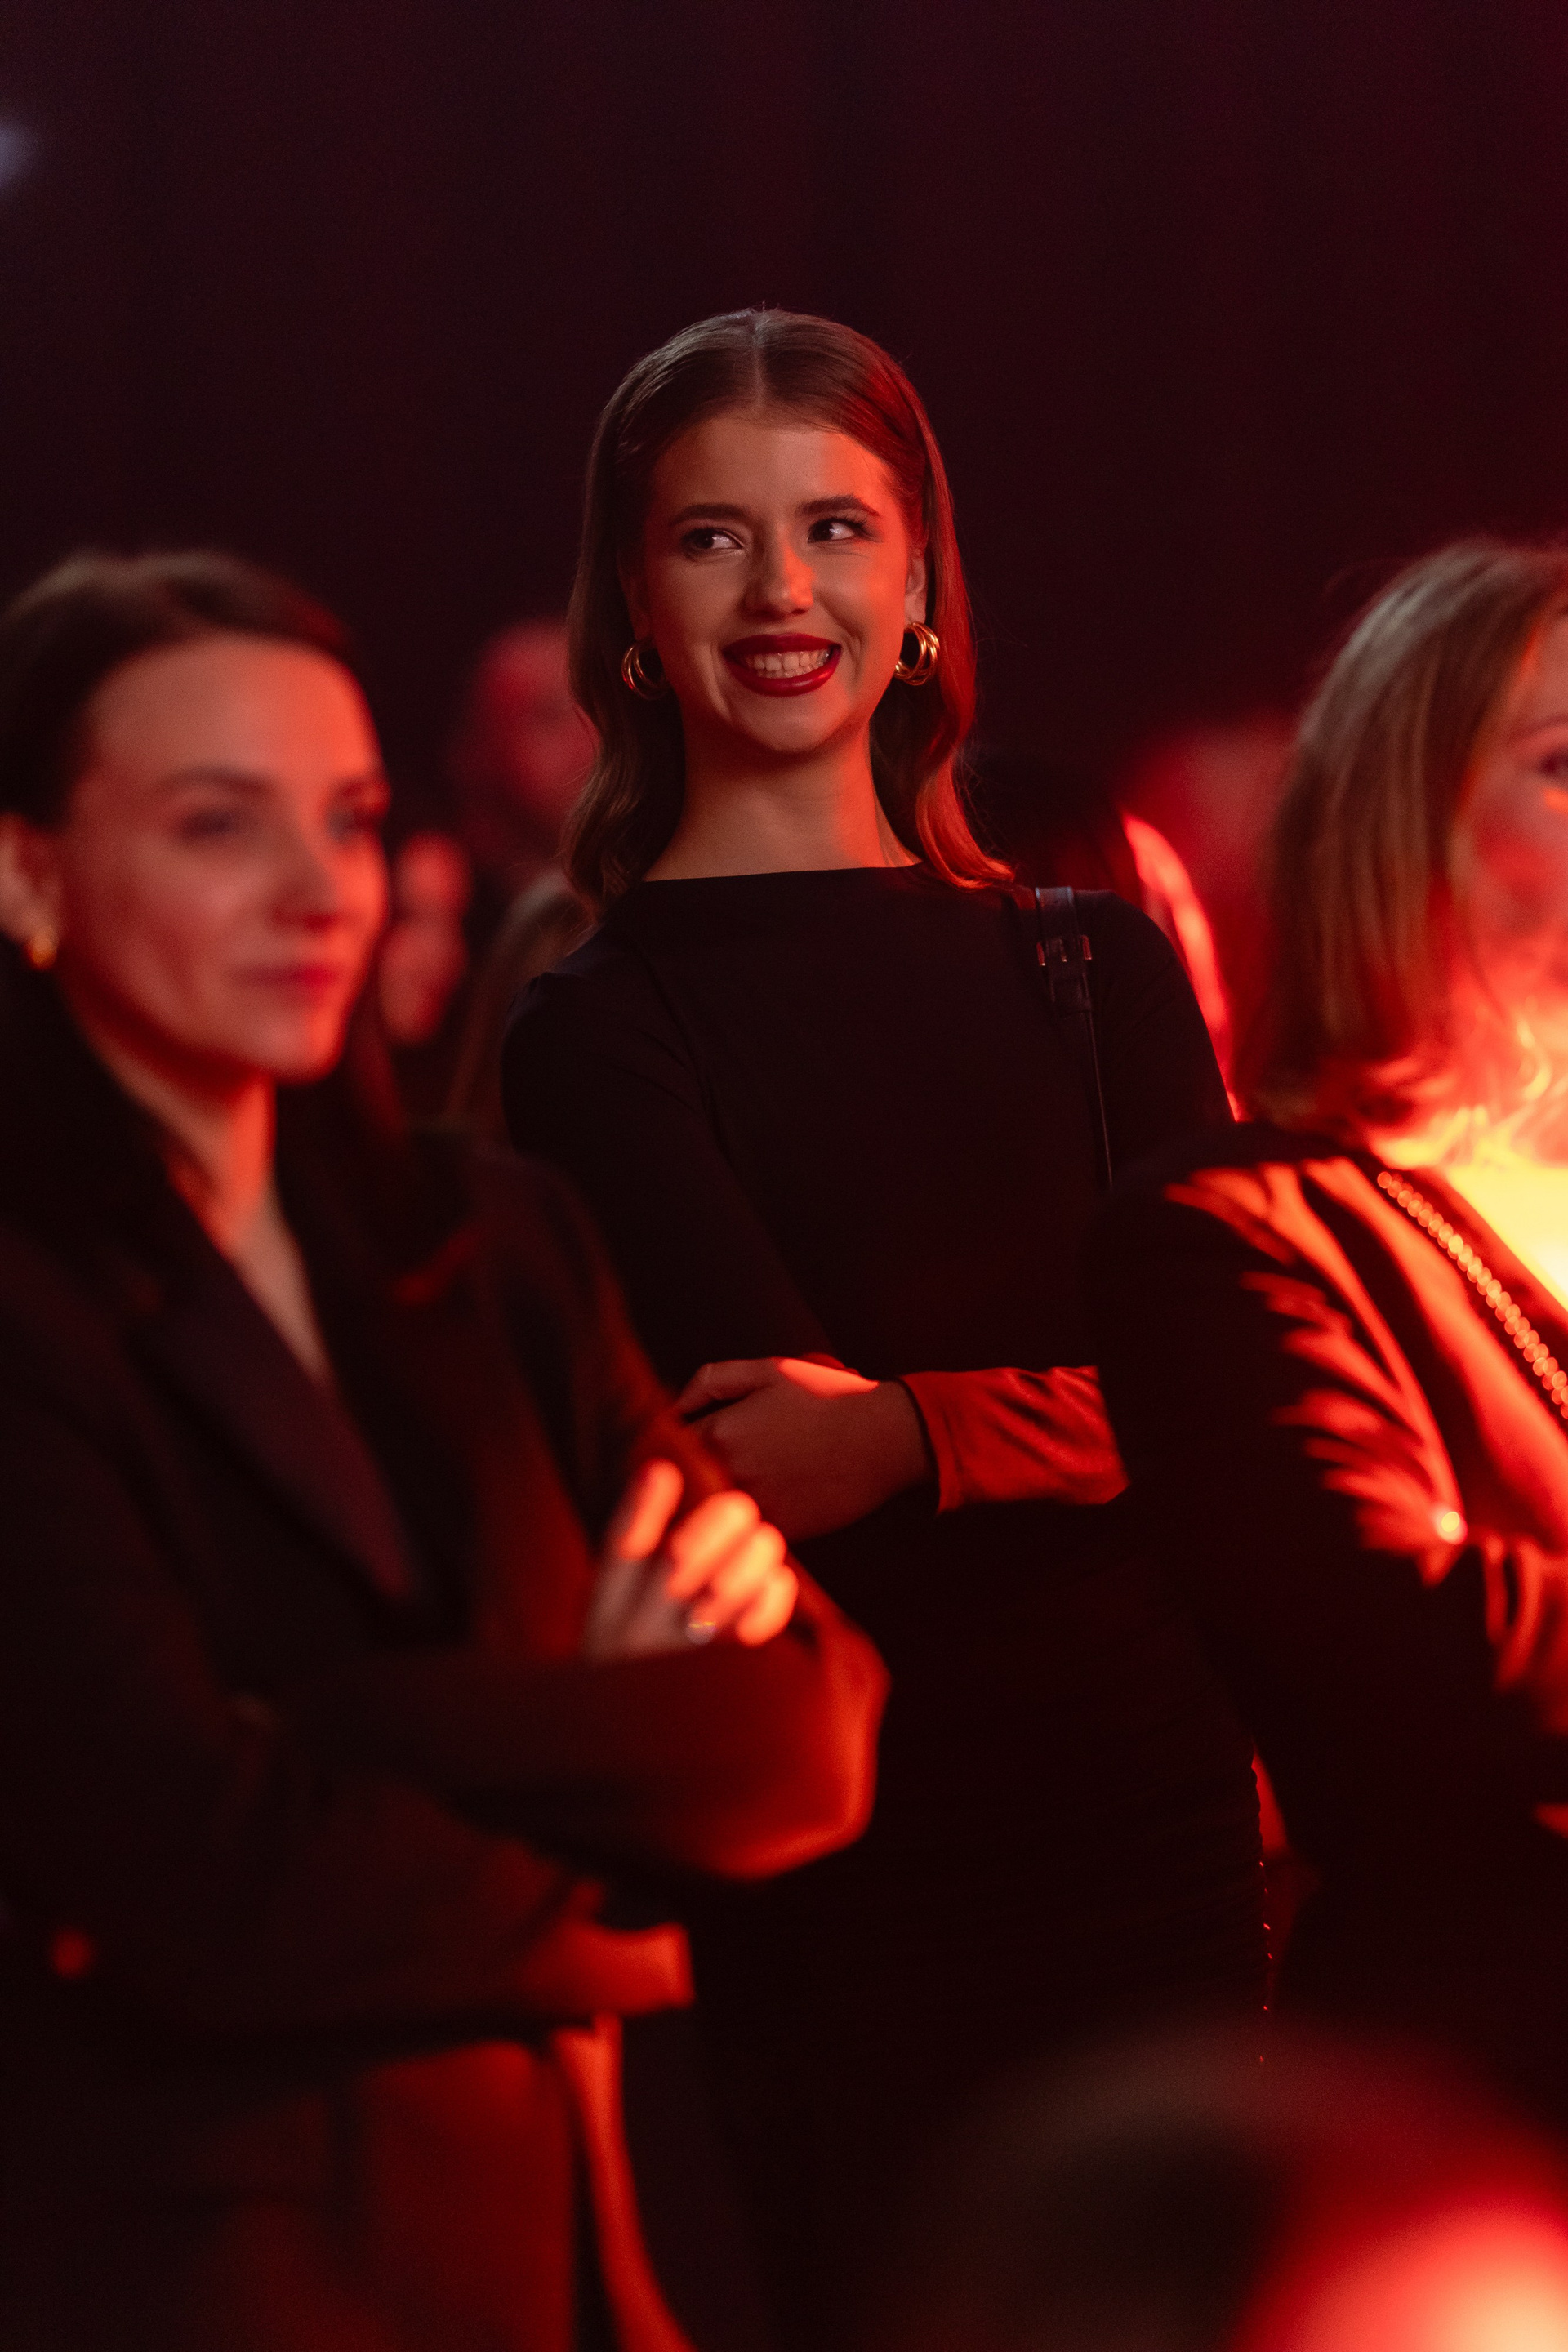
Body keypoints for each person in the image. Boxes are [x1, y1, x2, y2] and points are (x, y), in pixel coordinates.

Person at [0, 548, 886, 2352]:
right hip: (212, 2283)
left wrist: (342, 1731)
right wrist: (618, 1826)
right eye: (218, 826)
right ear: (29, 875)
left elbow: (809, 1730)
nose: (313, 890)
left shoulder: (493, 1240)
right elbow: (198, 1877)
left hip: (594, 2246)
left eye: (344, 821)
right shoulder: (30, 1302)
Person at [502, 307, 1266, 2341]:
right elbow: (771, 1459)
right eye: (714, 538)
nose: (782, 590)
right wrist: (1061, 1422)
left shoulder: (1091, 961)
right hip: (853, 1860)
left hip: (1161, 1827)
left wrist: (918, 1432)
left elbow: (1240, 1399)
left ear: (921, 583)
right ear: (634, 608)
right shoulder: (593, 1026)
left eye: (834, 527)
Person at [1088, 541, 1568, 2128]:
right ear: (1405, 817)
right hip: (1485, 2099)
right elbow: (1404, 1647)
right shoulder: (1234, 1232)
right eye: (1567, 765)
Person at [448, 615, 599, 949]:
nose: (591, 738)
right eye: (550, 716)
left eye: (600, 708)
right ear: (481, 751)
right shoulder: (450, 935)